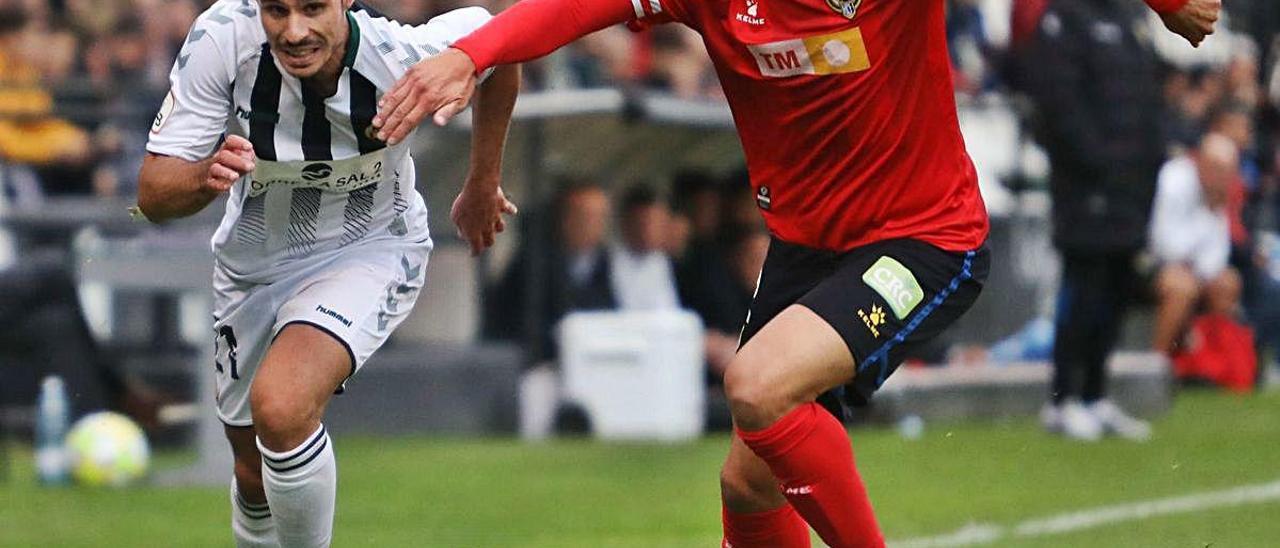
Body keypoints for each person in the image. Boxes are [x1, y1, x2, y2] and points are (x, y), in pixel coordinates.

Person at [371, 1, 1218, 548]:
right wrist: (472, 53)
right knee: (747, 479)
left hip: (926, 239)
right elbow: (574, 7)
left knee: (755, 386)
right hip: (809, 248)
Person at [136, 1, 518, 546]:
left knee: (283, 405)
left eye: (313, 7)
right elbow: (153, 195)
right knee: (253, 474)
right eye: (277, 10)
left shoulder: (401, 58)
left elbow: (500, 44)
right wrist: (204, 175)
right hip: (254, 266)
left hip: (370, 247)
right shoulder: (222, 38)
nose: (294, 31)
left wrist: (483, 180)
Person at [1024, 0, 1169, 443]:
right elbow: (1058, 103)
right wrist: (1099, 162)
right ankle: (1063, 399)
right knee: (1084, 284)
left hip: (1131, 185)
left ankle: (1095, 395)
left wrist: (1148, 162)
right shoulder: (1063, 19)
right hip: (1086, 184)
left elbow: (1148, 96)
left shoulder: (1129, 18)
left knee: (1118, 286)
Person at [1150, 133, 1242, 355]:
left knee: (1228, 283)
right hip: (1151, 263)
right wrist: (1207, 214)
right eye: (1220, 169)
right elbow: (1165, 246)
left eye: (1230, 170)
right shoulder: (1174, 179)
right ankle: (1157, 363)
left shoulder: (1217, 191)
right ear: (1202, 161)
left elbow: (1218, 256)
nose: (1226, 177)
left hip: (1194, 269)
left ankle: (1208, 367)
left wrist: (1212, 210)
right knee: (1182, 288)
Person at [609, 184, 680, 310]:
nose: (650, 230)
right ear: (625, 222)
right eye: (644, 223)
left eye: (658, 222)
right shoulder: (607, 265)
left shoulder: (665, 262)